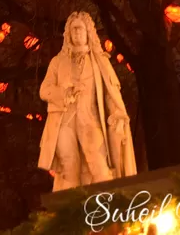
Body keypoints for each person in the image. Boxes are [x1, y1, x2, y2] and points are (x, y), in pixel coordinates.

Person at [37, 11, 137, 190]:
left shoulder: (99, 61)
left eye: (80, 29)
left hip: (89, 120)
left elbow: (110, 93)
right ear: (68, 33)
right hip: (63, 122)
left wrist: (117, 113)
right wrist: (63, 93)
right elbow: (44, 90)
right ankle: (70, 213)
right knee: (69, 170)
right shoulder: (58, 62)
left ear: (88, 32)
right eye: (73, 29)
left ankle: (106, 210)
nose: (77, 33)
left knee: (100, 167)